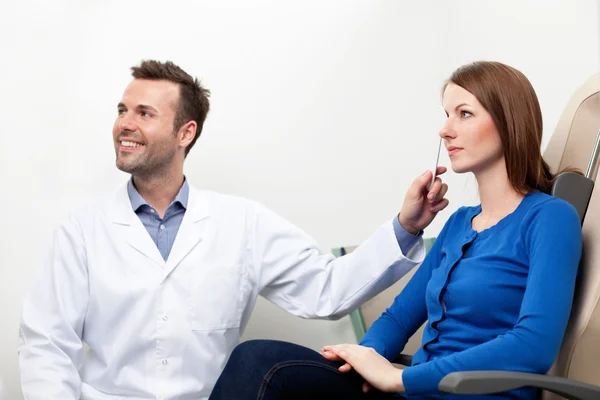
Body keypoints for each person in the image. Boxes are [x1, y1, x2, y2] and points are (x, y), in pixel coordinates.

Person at [18, 60, 449, 400]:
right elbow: (46, 347)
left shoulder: (242, 223)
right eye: (122, 110)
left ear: (186, 132)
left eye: (144, 113)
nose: (124, 124)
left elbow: (326, 289)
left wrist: (405, 227)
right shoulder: (81, 231)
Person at [208, 61, 583, 400]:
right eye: (447, 115)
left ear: (509, 122)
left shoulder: (550, 218)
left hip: (466, 396)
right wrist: (362, 359)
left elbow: (532, 346)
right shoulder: (457, 223)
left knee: (264, 364)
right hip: (413, 392)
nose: (445, 130)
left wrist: (400, 379)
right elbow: (398, 319)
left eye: (464, 114)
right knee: (258, 358)